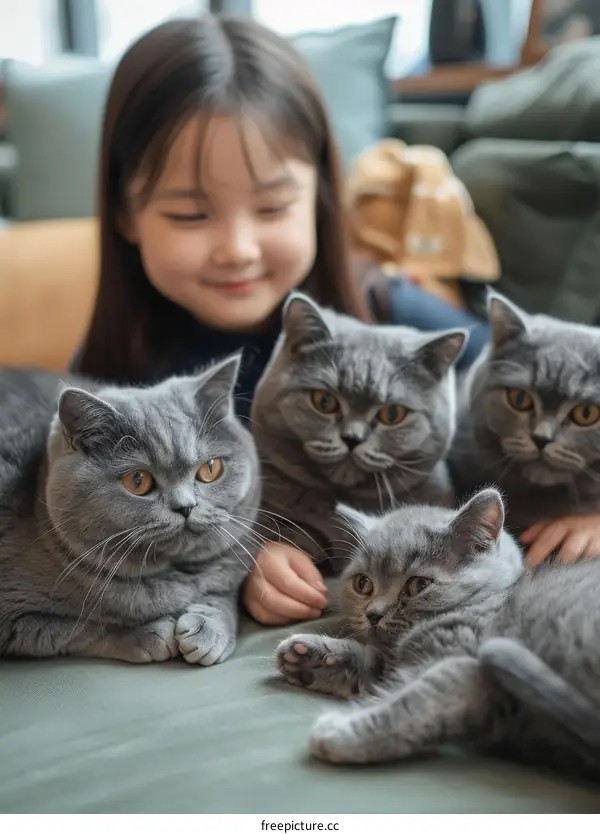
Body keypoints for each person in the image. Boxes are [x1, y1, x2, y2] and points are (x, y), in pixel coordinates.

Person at [74, 13, 488, 627]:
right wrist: (241, 561)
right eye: (190, 214)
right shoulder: (122, 381)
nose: (238, 247)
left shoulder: (392, 316)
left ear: (319, 198)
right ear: (126, 215)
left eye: (271, 206)